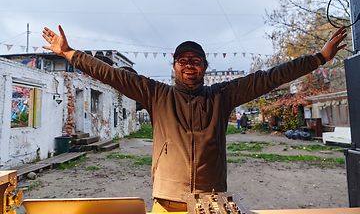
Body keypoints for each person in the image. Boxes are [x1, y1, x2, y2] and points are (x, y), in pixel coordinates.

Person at [42, 25, 347, 212]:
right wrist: (69, 53)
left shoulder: (222, 95)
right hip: (166, 201)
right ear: (174, 65)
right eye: (183, 60)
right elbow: (111, 74)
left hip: (212, 201)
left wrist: (318, 58)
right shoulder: (155, 94)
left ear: (205, 66)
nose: (190, 65)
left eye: (196, 61)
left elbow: (269, 78)